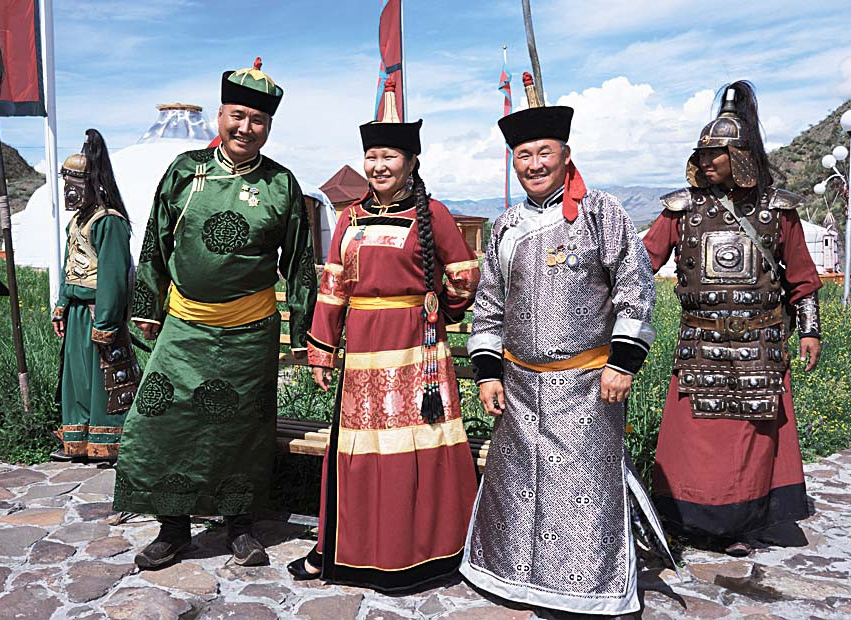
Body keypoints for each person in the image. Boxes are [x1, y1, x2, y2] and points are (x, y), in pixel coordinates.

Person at [459, 73, 673, 616]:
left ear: (565, 154)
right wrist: (487, 372)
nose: (534, 164)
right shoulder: (505, 227)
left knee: (582, 493)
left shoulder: (601, 214)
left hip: (587, 385)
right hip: (518, 386)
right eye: (523, 155)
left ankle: (588, 590)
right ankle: (510, 578)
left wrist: (623, 363)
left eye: (544, 153)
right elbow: (489, 304)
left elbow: (635, 289)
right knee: (518, 487)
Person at [112, 59, 317, 570]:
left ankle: (240, 527)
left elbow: (299, 262)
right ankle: (173, 529)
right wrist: (147, 305)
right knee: (163, 422)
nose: (246, 128)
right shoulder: (185, 171)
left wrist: (304, 333)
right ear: (221, 115)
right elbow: (155, 242)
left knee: (241, 432)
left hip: (251, 332)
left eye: (258, 120)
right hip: (184, 326)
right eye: (238, 116)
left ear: (268, 126)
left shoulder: (281, 184)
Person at [287, 78, 481, 591]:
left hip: (417, 352)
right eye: (372, 156)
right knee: (360, 450)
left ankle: (426, 552)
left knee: (417, 447)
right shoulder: (350, 217)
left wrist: (436, 312)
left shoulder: (432, 214)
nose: (378, 166)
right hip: (362, 356)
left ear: (410, 162)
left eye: (389, 156)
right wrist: (322, 349)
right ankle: (349, 550)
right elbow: (333, 287)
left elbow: (464, 275)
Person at [643, 81, 821, 556]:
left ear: (738, 156)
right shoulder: (682, 210)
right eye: (701, 154)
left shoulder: (777, 210)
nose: (705, 162)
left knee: (751, 439)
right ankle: (692, 521)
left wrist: (810, 331)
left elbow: (802, 277)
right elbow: (641, 262)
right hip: (700, 344)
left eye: (714, 154)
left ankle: (743, 523)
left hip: (758, 345)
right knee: (697, 439)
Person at [51, 129, 139, 462]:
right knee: (77, 380)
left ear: (93, 184)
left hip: (97, 312)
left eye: (76, 183)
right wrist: (61, 305)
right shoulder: (77, 222)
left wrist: (106, 321)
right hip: (76, 313)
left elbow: (114, 277)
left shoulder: (109, 222)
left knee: (106, 381)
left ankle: (109, 443)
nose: (70, 191)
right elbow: (69, 264)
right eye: (67, 183)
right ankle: (78, 443)